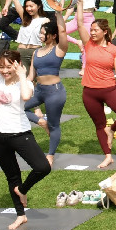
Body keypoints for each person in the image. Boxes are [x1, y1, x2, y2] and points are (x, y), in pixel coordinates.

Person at [0, 44, 50, 230]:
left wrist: (21, 74)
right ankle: (20, 215)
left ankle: (23, 190)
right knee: (12, 176)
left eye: (8, 67)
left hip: (19, 134)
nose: (4, 71)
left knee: (42, 167)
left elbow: (26, 97)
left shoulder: (25, 82)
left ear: (17, 65)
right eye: (1, 67)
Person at [79, 12, 116, 169]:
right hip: (89, 92)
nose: (92, 33)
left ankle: (111, 130)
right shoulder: (88, 44)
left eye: (95, 30)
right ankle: (108, 156)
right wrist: (78, 4)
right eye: (91, 30)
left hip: (109, 89)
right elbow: (79, 24)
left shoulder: (114, 50)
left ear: (105, 31)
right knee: (99, 124)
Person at [24, 13, 70, 163]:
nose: (41, 35)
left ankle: (50, 155)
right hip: (39, 92)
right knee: (19, 108)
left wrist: (58, 14)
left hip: (54, 93)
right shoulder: (36, 52)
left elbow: (63, 32)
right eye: (41, 32)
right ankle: (40, 122)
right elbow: (31, 76)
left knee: (54, 124)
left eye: (44, 33)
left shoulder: (59, 49)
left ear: (53, 35)